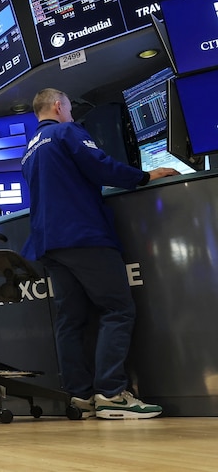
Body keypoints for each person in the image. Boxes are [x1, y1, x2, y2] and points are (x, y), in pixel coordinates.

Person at [21, 88, 177, 420]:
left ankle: (79, 396)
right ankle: (111, 393)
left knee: (70, 320)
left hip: (49, 243)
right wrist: (144, 176)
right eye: (69, 108)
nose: (71, 114)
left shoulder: (30, 149)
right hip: (83, 236)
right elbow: (100, 166)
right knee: (117, 309)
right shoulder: (67, 131)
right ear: (58, 106)